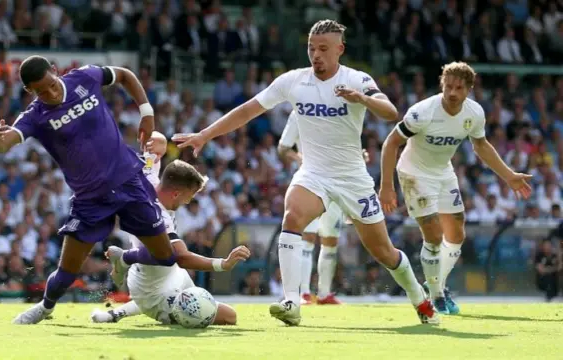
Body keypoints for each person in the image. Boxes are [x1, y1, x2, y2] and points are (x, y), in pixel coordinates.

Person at [173, 19, 438, 326]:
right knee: (292, 218)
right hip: (313, 173)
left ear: (340, 49)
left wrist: (361, 99)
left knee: (384, 252)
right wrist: (205, 134)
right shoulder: (294, 81)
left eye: (324, 48)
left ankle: (420, 298)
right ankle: (290, 300)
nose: (316, 54)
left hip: (352, 178)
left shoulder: (357, 79)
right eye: (312, 48)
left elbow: (391, 111)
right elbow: (248, 109)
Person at [0, 56, 177, 324]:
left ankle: (124, 258)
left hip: (129, 182)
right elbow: (5, 143)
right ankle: (45, 307)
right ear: (31, 91)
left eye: (51, 84)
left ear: (55, 71)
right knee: (67, 273)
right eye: (41, 91)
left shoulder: (84, 77)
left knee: (166, 257)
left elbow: (124, 74)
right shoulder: (35, 116)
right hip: (90, 200)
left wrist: (147, 112)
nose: (51, 93)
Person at [379, 62, 532, 314]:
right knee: (433, 234)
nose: (451, 92)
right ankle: (437, 296)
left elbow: (481, 146)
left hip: (443, 172)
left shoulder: (474, 113)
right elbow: (391, 143)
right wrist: (387, 186)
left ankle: (436, 285)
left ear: (468, 89)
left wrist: (509, 175)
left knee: (456, 235)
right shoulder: (423, 111)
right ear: (442, 85)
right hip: (414, 173)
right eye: (448, 86)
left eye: (458, 88)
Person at [92, 137, 248, 325]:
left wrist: (161, 143)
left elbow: (154, 141)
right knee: (227, 317)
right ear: (176, 193)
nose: (188, 202)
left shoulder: (149, 179)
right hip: (154, 293)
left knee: (227, 314)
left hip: (169, 277)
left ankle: (114, 314)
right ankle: (126, 261)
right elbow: (181, 258)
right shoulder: (159, 216)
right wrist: (222, 264)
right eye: (189, 197)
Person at [278, 110, 353, 305]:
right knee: (308, 237)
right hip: (310, 182)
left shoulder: (340, 111)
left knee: (330, 240)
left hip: (337, 183)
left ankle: (324, 293)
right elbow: (283, 147)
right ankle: (303, 293)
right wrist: (298, 158)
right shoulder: (299, 112)